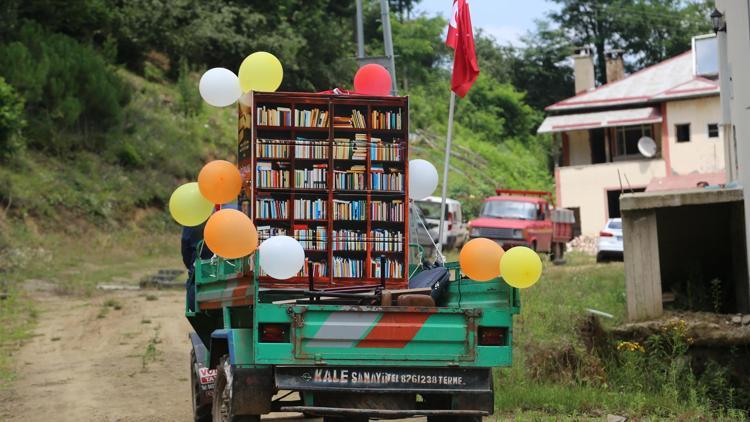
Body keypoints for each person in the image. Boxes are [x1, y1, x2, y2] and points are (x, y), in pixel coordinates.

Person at [182, 222, 213, 312]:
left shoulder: (191, 222)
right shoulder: (224, 217)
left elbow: (185, 250)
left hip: (197, 274)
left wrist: (191, 265)